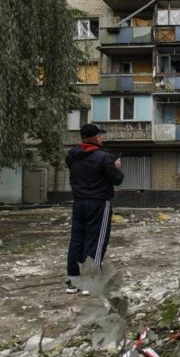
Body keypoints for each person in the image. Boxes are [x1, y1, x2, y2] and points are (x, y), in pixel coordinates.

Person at [65, 124, 124, 294]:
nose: (102, 138)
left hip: (79, 203)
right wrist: (116, 167)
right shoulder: (103, 157)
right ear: (97, 137)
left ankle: (73, 281)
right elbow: (117, 179)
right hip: (98, 203)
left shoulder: (72, 155)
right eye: (100, 136)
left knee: (77, 240)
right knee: (96, 241)